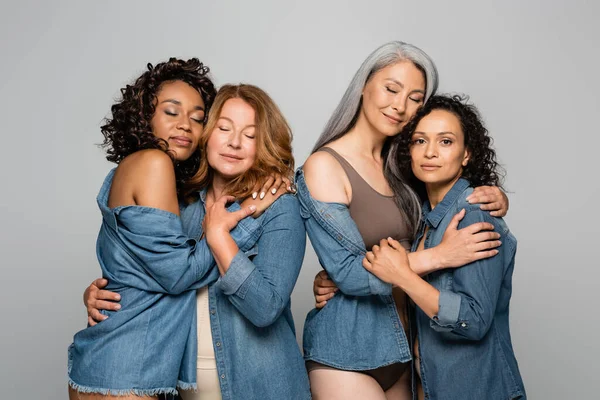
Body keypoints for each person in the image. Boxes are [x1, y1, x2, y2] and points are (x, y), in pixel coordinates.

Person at [69, 59, 309, 399]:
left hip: (258, 389)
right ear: (209, 136)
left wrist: (223, 235)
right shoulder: (179, 201)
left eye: (250, 135)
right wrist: (97, 293)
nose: (234, 142)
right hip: (169, 387)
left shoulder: (277, 205)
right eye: (223, 128)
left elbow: (265, 308)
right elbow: (148, 271)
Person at [297, 41, 509, 399]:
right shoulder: (324, 165)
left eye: (415, 97)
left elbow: (440, 214)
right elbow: (349, 274)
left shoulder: (407, 164)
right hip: (347, 350)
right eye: (391, 89)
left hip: (408, 349)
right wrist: (439, 256)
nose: (400, 105)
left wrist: (492, 195)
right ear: (364, 86)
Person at [362, 94, 526, 400]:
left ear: (466, 155)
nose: (431, 152)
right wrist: (332, 278)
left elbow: (474, 321)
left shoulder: (473, 214)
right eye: (420, 141)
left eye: (446, 141)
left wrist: (404, 277)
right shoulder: (423, 220)